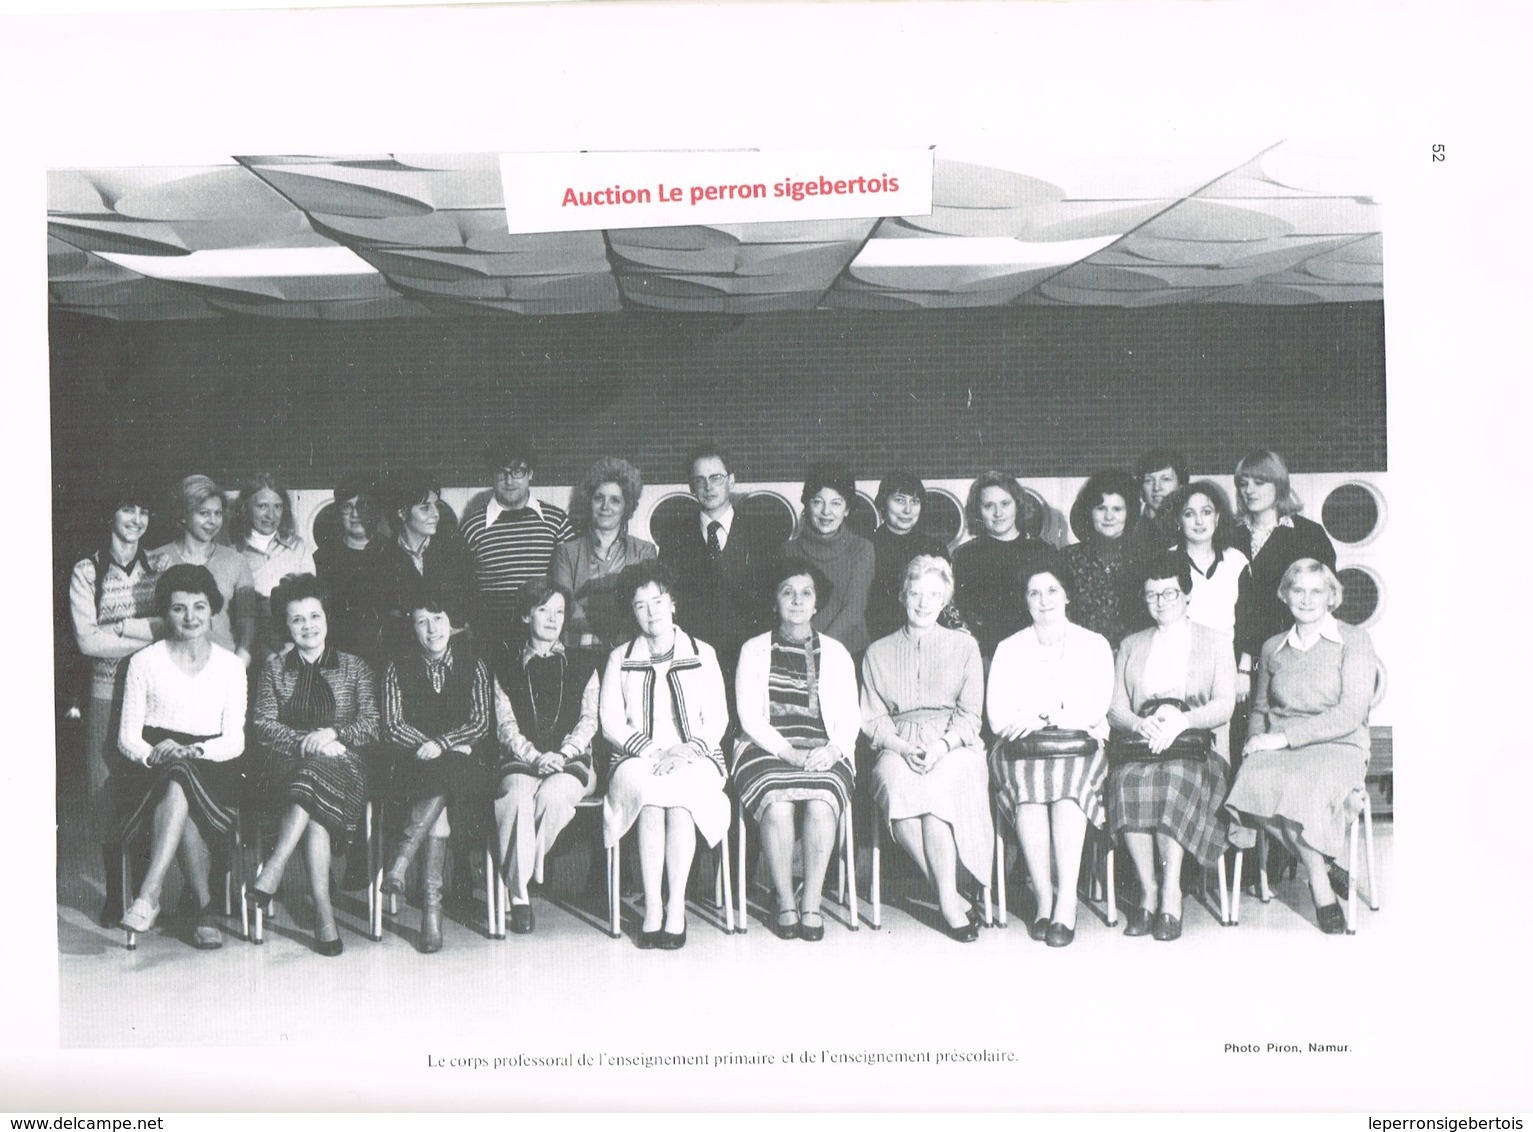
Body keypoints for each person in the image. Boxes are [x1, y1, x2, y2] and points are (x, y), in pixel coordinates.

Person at [1223, 559, 1377, 934]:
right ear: (1285, 594)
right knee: (1247, 786)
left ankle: (1321, 890)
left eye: (1316, 591)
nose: (1306, 599)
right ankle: (1321, 868)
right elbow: (1260, 710)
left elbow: (1351, 713)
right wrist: (1253, 745)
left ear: (1331, 596)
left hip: (1340, 744)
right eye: (1298, 590)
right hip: (1280, 746)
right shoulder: (1273, 646)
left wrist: (1283, 738)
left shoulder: (1354, 640)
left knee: (1302, 790)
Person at [115, 565, 248, 949]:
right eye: (178, 608)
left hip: (213, 762)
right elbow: (128, 737)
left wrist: (195, 751)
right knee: (176, 777)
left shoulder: (231, 666)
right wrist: (153, 754)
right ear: (165, 612)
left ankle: (149, 894)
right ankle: (202, 908)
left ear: (213, 611)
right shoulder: (145, 662)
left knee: (182, 775)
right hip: (154, 764)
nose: (190, 617)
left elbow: (234, 740)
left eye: (199, 607)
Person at [862, 555, 993, 943]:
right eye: (916, 593)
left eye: (934, 595)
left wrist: (940, 747)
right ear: (903, 596)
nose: (924, 603)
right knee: (894, 784)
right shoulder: (877, 652)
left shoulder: (965, 646)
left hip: (954, 743)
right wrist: (900, 747)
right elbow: (872, 718)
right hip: (899, 740)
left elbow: (970, 716)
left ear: (945, 599)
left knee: (936, 798)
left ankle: (950, 905)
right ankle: (948, 892)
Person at [246, 574, 380, 955]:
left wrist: (334, 736)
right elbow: (264, 725)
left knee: (313, 781)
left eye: (315, 616)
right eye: (297, 619)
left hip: (345, 761)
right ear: (285, 626)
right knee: (311, 782)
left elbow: (371, 722)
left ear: (327, 618)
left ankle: (274, 869)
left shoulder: (354, 667)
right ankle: (322, 909)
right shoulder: (274, 669)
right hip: (288, 763)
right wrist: (307, 743)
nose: (308, 626)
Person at [600, 561, 730, 950]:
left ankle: (677, 907)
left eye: (657, 601)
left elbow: (718, 716)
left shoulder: (702, 652)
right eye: (640, 606)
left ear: (673, 603)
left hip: (695, 754)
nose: (651, 612)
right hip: (636, 755)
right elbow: (610, 722)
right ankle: (653, 907)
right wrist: (651, 750)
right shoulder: (619, 657)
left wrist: (687, 750)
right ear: (632, 612)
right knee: (651, 800)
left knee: (682, 802)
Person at [1106, 554, 1236, 941]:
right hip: (1141, 745)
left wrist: (1181, 721)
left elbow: (1224, 704)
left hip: (1195, 748)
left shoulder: (1215, 640)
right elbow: (1115, 708)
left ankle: (1170, 893)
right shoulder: (1131, 643)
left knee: (1173, 782)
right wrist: (1140, 724)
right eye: (1152, 595)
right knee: (1125, 783)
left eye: (1169, 593)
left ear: (1187, 595)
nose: (1161, 602)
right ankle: (1146, 890)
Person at [987, 558, 1114, 947]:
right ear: (1025, 601)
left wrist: (1042, 717)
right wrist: (1041, 719)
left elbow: (1094, 708)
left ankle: (1066, 901)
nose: (1044, 601)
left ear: (1067, 595)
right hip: (1020, 751)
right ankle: (1044, 896)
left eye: (1052, 591)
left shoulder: (1094, 643)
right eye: (1035, 593)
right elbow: (998, 718)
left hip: (1080, 748)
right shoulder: (1009, 648)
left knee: (1065, 789)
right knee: (1029, 789)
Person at [732, 560, 860, 941]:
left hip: (824, 749)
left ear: (817, 603)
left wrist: (835, 750)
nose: (797, 601)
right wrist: (787, 752)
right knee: (778, 800)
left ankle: (812, 903)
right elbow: (749, 716)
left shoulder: (836, 652)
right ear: (775, 600)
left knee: (823, 801)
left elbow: (851, 715)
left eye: (806, 593)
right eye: (788, 592)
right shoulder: (753, 649)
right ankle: (785, 901)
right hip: (765, 747)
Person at [379, 587, 493, 953]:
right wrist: (432, 746)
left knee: (447, 778)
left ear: (453, 624)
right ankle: (431, 911)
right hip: (413, 766)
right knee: (440, 795)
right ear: (412, 628)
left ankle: (402, 863)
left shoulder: (473, 663)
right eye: (422, 622)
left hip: (460, 769)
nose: (432, 630)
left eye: (439, 620)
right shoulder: (397, 666)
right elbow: (393, 725)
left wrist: (440, 744)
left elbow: (481, 722)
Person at [69, 485, 162, 926]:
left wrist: (123, 627)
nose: (137, 519)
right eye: (128, 508)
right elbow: (86, 640)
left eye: (144, 510)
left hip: (150, 696)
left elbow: (169, 623)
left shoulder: (158, 566)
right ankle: (114, 891)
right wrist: (140, 640)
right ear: (111, 513)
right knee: (104, 790)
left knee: (144, 787)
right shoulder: (88, 569)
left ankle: (143, 889)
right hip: (105, 694)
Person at [491, 579, 600, 934]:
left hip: (572, 761)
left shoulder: (584, 662)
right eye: (543, 610)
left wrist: (563, 754)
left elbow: (589, 720)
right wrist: (536, 757)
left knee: (553, 796)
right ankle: (521, 896)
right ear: (525, 615)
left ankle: (522, 873)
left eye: (559, 612)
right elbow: (505, 724)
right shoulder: (505, 663)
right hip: (523, 759)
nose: (553, 619)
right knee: (518, 797)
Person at [660, 441, 770, 690]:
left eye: (716, 478)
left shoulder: (761, 534)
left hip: (747, 660)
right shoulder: (674, 537)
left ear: (732, 480)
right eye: (699, 480)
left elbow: (766, 605)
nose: (708, 487)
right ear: (691, 486)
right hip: (694, 661)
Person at [1231, 449, 1338, 700]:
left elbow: (1328, 599)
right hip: (1238, 660)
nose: (1250, 491)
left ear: (1279, 484)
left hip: (1293, 653)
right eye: (1244, 484)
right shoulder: (1230, 534)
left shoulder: (1308, 535)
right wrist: (1243, 662)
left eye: (1260, 482)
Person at [459, 436, 573, 645]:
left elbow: (568, 586)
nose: (509, 481)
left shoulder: (556, 522)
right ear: (492, 476)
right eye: (502, 473)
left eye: (517, 472)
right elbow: (464, 589)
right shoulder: (472, 527)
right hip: (490, 640)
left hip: (543, 639)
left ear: (530, 474)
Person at [549, 456, 658, 658]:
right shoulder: (566, 552)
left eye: (615, 500)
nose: (605, 507)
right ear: (589, 501)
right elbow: (564, 609)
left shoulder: (644, 551)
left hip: (630, 655)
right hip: (578, 654)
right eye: (599, 498)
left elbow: (645, 608)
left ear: (627, 506)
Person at [150, 475, 257, 668]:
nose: (213, 521)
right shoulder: (155, 559)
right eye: (204, 513)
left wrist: (239, 665)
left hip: (221, 667)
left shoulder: (236, 561)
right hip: (170, 667)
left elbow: (247, 621)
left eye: (218, 513)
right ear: (183, 515)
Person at [952, 471, 1053, 660]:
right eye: (989, 505)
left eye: (1005, 504)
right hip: (984, 658)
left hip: (1035, 655)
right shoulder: (964, 555)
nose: (998, 513)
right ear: (978, 511)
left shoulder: (1042, 551)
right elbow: (959, 612)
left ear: (1017, 505)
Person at [373, 471, 475, 656]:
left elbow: (466, 610)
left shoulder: (455, 552)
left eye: (436, 506)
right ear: (402, 512)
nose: (436, 514)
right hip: (404, 658)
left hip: (456, 655)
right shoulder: (382, 561)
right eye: (425, 508)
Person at [780, 460, 875, 657]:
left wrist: (819, 650)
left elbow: (854, 609)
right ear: (807, 504)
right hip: (798, 652)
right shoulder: (788, 550)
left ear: (847, 509)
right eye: (818, 501)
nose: (826, 512)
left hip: (848, 653)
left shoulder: (862, 549)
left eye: (836, 503)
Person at [232, 471, 316, 665]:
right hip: (246, 648)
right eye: (262, 506)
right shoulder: (232, 550)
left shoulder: (297, 547)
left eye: (277, 507)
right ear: (245, 508)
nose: (271, 515)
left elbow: (309, 600)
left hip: (290, 645)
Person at [1060, 470, 1145, 650]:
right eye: (1101, 508)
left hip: (1132, 656)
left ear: (1129, 512)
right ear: (1089, 512)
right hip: (1081, 657)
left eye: (1117, 509)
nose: (1109, 517)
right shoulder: (1068, 558)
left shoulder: (1144, 558)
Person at [867, 469, 952, 642]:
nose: (907, 510)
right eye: (899, 500)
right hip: (878, 640)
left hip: (928, 639)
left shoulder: (935, 548)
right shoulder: (866, 546)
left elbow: (945, 603)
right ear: (883, 503)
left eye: (914, 502)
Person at [1165, 480, 1250, 643]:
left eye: (1206, 512)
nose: (1199, 521)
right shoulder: (1167, 561)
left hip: (1228, 660)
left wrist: (1243, 668)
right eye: (1189, 514)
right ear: (1178, 521)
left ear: (1217, 517)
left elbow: (1248, 624)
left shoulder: (1236, 561)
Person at [312, 476, 383, 661]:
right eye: (347, 507)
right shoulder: (322, 558)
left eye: (363, 506)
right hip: (340, 655)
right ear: (338, 513)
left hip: (384, 654)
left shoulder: (392, 552)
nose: (355, 514)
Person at [1124, 449, 1187, 563]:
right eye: (1149, 480)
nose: (1157, 488)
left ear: (1181, 485)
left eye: (1166, 479)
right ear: (1141, 488)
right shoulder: (1129, 527)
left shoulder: (1192, 524)